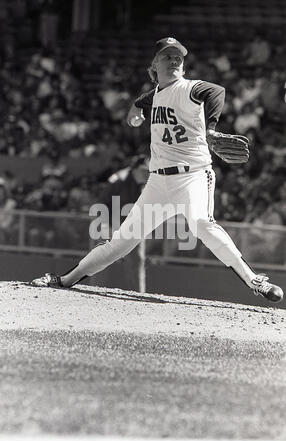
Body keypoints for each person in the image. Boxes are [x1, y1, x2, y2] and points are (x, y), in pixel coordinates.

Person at [31, 37, 283, 303]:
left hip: (192, 176)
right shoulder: (158, 94)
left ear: (184, 66)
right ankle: (65, 279)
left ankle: (255, 282)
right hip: (157, 184)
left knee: (201, 224)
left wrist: (210, 129)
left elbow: (216, 92)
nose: (174, 60)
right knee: (121, 242)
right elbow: (146, 99)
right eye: (167, 56)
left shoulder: (189, 88)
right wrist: (135, 109)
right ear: (154, 64)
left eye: (179, 58)